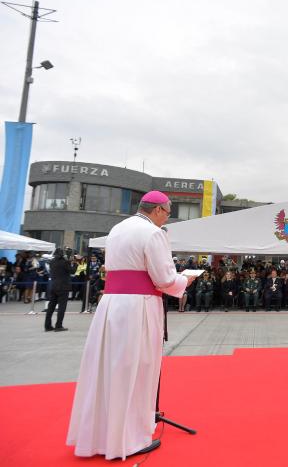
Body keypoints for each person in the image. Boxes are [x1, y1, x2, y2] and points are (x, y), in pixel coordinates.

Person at [66, 191, 195, 459]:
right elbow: (163, 278)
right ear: (158, 210)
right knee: (137, 368)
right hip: (139, 307)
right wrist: (184, 281)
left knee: (109, 368)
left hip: (112, 305)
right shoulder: (153, 233)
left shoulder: (117, 229)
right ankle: (129, 440)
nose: (167, 217)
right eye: (168, 212)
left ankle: (100, 436)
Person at [45, 248, 72, 332]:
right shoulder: (65, 262)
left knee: (51, 307)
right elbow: (72, 271)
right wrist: (75, 264)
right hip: (63, 287)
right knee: (61, 307)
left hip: (53, 286)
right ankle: (58, 325)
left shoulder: (52, 262)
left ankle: (47, 326)